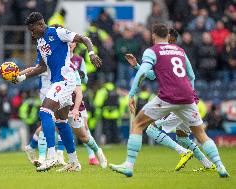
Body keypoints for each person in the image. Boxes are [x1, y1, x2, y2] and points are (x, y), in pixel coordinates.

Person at [109, 23, 229, 178]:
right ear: (167, 36)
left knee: (139, 124)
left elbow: (146, 73)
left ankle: (129, 165)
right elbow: (191, 76)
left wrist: (132, 94)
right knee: (199, 135)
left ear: (154, 35)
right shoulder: (180, 51)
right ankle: (219, 167)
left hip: (169, 97)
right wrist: (190, 96)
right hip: (188, 98)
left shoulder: (153, 51)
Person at [13, 12, 102, 172]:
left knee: (45, 112)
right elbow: (41, 67)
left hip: (66, 79)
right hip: (58, 81)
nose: (31, 33)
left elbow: (84, 39)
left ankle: (52, 157)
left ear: (40, 25)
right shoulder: (40, 41)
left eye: (32, 29)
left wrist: (91, 53)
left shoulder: (57, 32)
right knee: (61, 122)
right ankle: (74, 162)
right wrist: (21, 77)